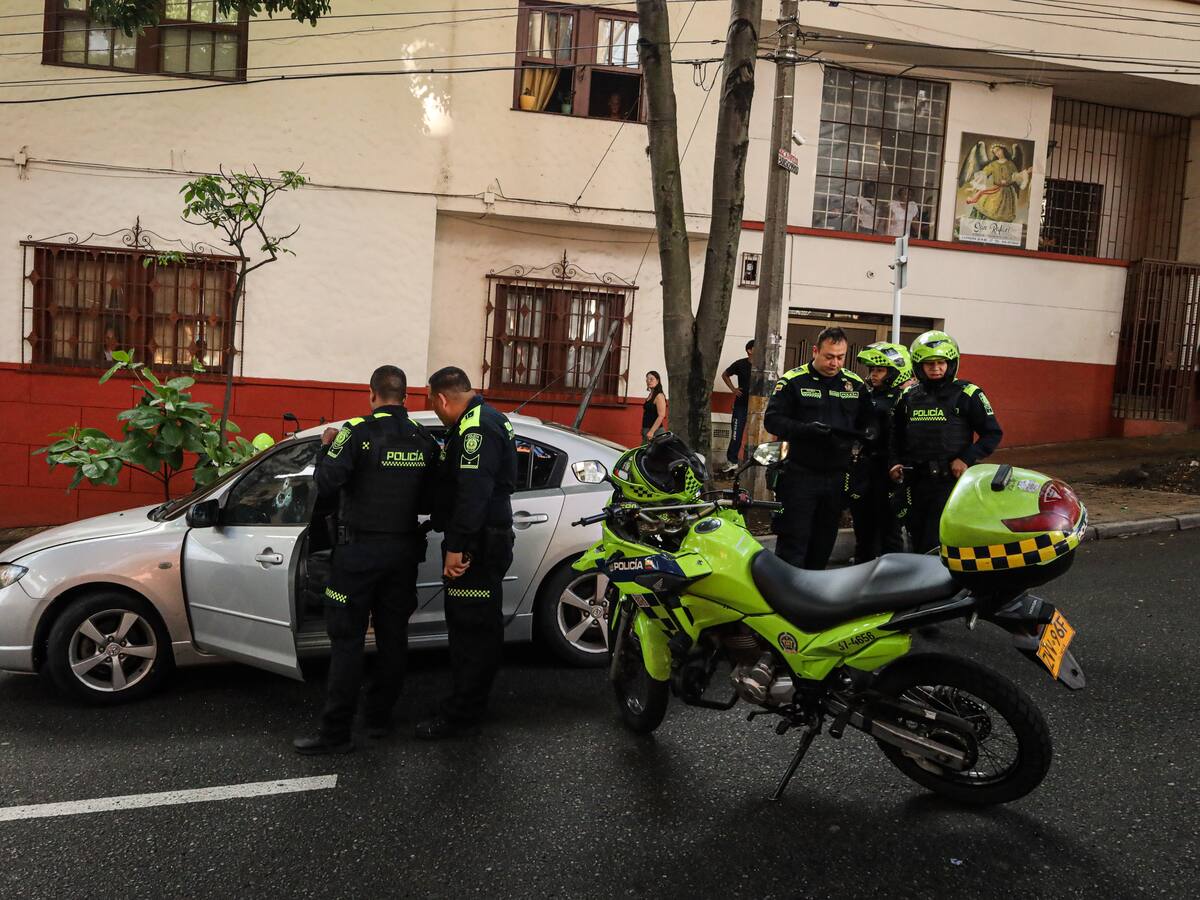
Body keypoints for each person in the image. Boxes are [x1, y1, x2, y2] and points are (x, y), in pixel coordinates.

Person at [293, 365, 438, 755]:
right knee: (394, 637)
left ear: (372, 394)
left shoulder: (355, 434)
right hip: (403, 553)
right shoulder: (424, 439)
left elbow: (326, 483)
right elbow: (431, 500)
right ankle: (378, 720)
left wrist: (326, 446)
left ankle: (336, 734)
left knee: (347, 640)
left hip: (357, 555)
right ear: (405, 397)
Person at [418, 366, 518, 739]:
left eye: (434, 404)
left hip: (477, 543)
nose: (436, 411)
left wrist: (456, 548)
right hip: (486, 536)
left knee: (471, 628)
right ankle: (467, 701)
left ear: (442, 398)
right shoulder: (488, 418)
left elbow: (472, 494)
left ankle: (463, 713)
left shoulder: (475, 428)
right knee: (477, 625)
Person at [764, 326, 872, 570]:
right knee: (794, 542)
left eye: (841, 357)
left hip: (836, 476)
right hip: (800, 474)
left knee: (823, 543)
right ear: (815, 351)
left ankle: (813, 598)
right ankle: (787, 598)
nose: (835, 362)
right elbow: (772, 420)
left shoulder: (854, 385)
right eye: (829, 356)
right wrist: (805, 429)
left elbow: (869, 423)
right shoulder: (793, 381)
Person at [889, 330, 1003, 554]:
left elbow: (992, 433)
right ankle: (921, 586)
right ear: (918, 365)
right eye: (929, 364)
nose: (935, 368)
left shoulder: (968, 393)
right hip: (915, 482)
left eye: (941, 362)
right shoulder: (908, 395)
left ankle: (943, 586)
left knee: (938, 541)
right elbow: (896, 435)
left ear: (951, 363)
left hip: (950, 482)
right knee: (917, 539)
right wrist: (894, 462)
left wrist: (965, 458)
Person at [849, 342, 913, 562]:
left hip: (891, 473)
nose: (873, 375)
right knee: (863, 530)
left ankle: (892, 581)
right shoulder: (866, 396)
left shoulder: (906, 398)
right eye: (872, 370)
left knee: (890, 532)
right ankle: (859, 576)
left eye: (879, 370)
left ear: (895, 371)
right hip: (865, 469)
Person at [720, 339, 754, 473]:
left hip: (757, 408)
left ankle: (752, 462)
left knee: (755, 436)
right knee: (736, 434)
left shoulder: (764, 365)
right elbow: (725, 375)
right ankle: (732, 461)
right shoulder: (740, 364)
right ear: (749, 350)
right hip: (741, 406)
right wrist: (733, 389)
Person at [641, 371, 667, 444]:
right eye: (647, 379)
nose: (648, 381)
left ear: (657, 381)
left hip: (656, 433)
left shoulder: (659, 396)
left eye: (651, 379)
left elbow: (661, 415)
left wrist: (651, 432)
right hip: (647, 431)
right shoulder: (650, 395)